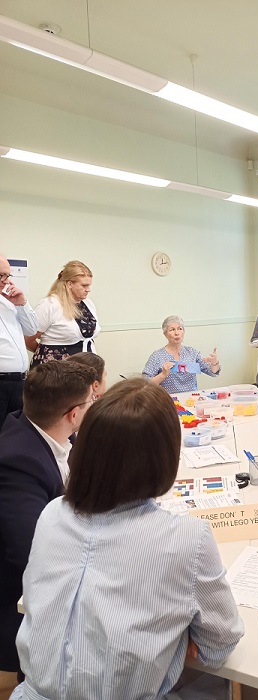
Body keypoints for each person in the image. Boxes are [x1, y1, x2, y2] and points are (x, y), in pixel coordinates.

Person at [11, 379, 244, 700]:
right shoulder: (188, 538)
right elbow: (219, 647)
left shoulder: (53, 513)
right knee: (212, 685)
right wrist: (179, 635)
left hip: (28, 694)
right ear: (166, 457)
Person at [0, 361, 96, 683]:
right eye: (91, 401)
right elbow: (31, 552)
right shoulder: (18, 461)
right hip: (19, 600)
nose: (94, 406)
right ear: (73, 414)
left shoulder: (48, 432)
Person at [26, 260, 100, 366]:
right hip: (55, 368)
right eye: (84, 286)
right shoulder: (50, 305)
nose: (88, 290)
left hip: (84, 367)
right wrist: (45, 353)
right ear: (70, 284)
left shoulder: (88, 304)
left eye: (89, 285)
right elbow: (28, 339)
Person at [0, 256, 37, 429]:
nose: (5, 281)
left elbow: (31, 330)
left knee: (16, 433)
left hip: (19, 381)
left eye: (7, 275)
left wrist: (22, 304)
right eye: (0, 275)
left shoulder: (8, 301)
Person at [143, 315, 221, 394]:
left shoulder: (192, 353)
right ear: (165, 334)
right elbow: (145, 385)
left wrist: (215, 363)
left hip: (191, 398)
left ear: (183, 331)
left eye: (180, 329)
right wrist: (163, 374)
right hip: (167, 399)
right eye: (172, 330)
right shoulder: (157, 356)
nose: (177, 333)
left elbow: (213, 372)